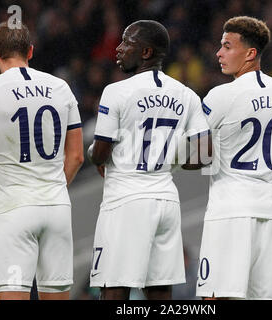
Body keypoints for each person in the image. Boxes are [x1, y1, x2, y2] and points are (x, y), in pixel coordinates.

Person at [89, 20, 210, 300]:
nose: (118, 49)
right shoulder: (187, 95)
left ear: (145, 53)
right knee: (159, 290)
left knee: (114, 286)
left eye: (126, 43)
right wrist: (172, 162)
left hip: (126, 200)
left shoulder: (116, 92)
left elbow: (100, 154)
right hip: (166, 200)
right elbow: (206, 155)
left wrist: (92, 153)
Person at [0, 22, 84, 300]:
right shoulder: (61, 87)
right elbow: (77, 155)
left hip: (15, 208)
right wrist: (53, 186)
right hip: (56, 208)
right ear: (30, 51)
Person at [195, 16, 272, 300]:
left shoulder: (221, 95)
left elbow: (193, 155)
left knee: (214, 296)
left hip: (229, 210)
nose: (219, 53)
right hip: (271, 211)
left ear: (250, 54)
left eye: (227, 46)